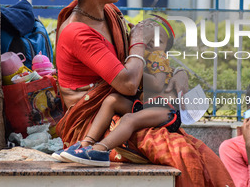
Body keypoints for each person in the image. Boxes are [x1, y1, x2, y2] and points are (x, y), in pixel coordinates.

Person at [54, 0, 234, 186]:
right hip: (94, 122)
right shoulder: (77, 31)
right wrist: (137, 42)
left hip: (126, 109)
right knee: (180, 153)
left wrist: (176, 73)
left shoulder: (110, 13)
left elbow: (144, 63)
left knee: (203, 155)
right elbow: (128, 83)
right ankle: (90, 147)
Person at [59, 17, 182, 167]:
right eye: (149, 35)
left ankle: (100, 150)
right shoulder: (141, 55)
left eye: (158, 40)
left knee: (129, 119)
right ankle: (86, 142)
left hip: (162, 108)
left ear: (165, 48)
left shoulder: (159, 58)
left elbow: (156, 84)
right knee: (112, 100)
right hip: (142, 105)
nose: (151, 41)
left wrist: (135, 74)